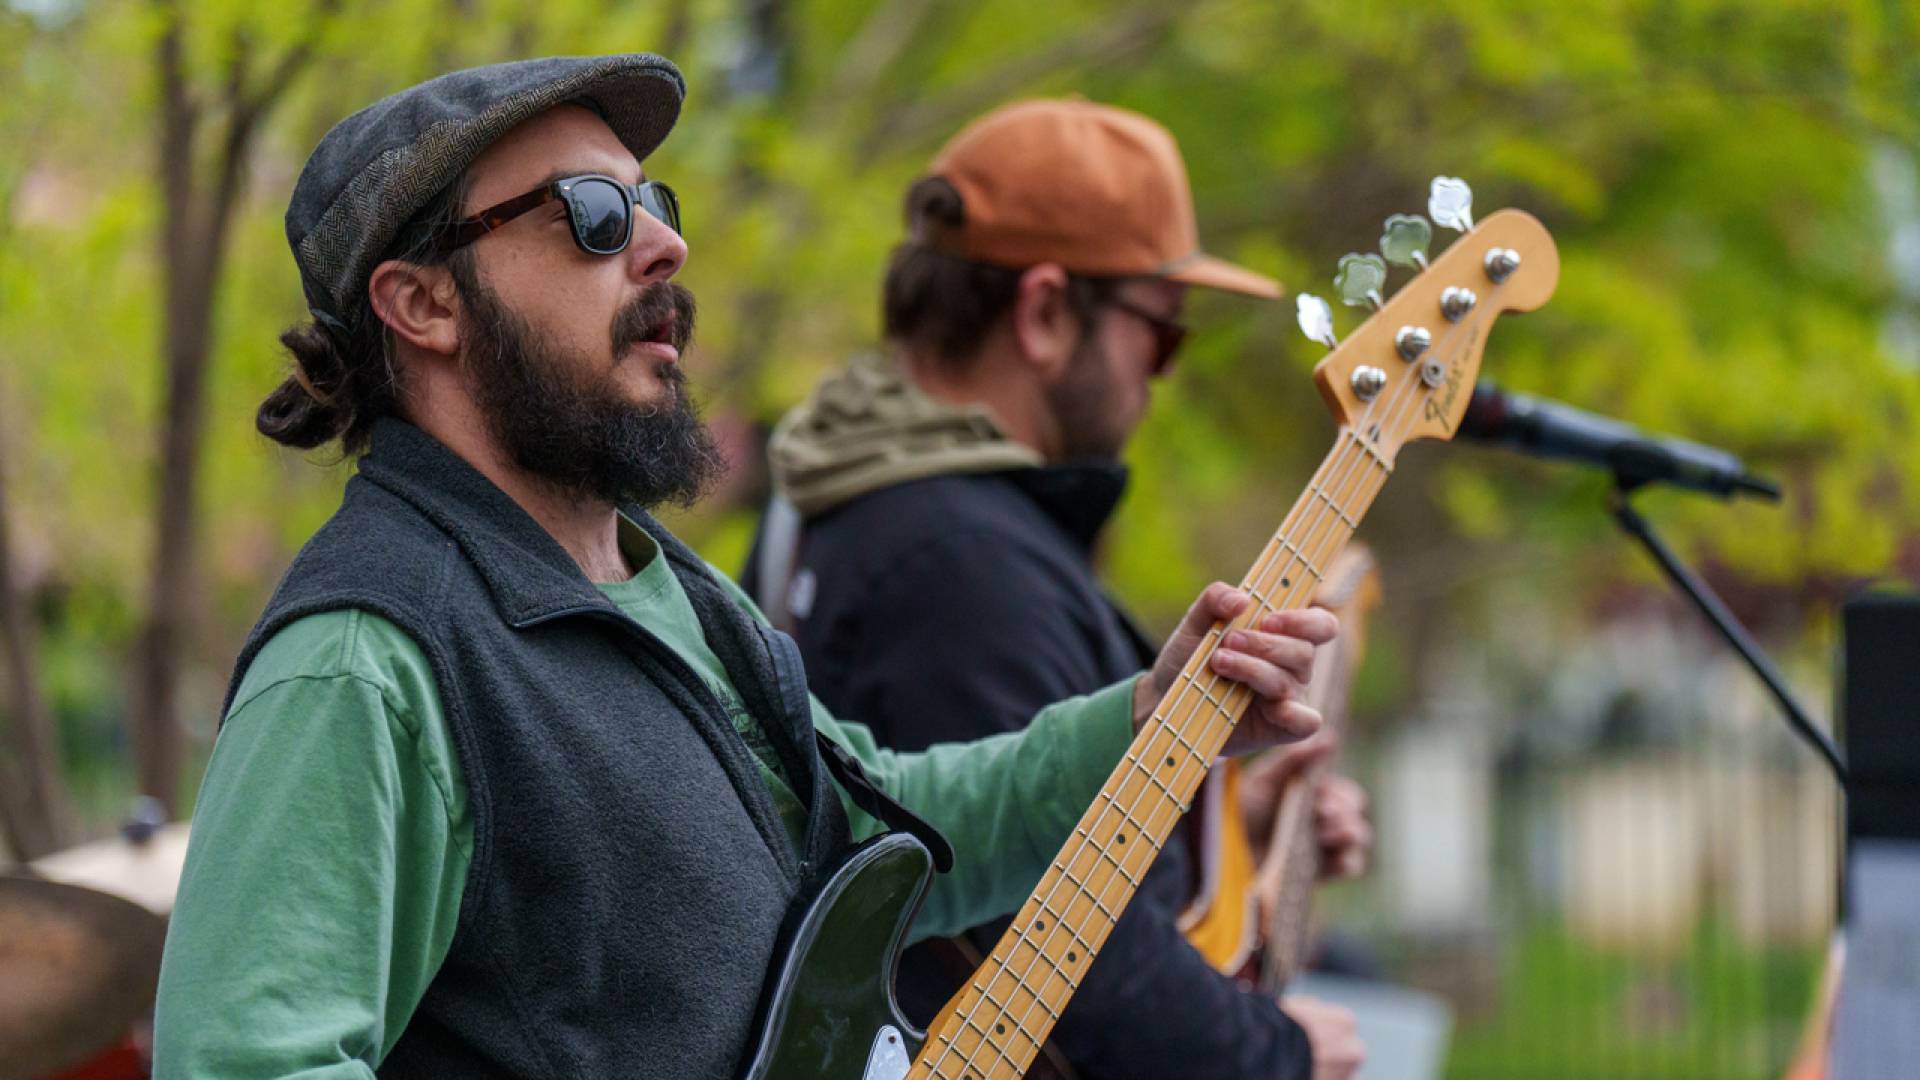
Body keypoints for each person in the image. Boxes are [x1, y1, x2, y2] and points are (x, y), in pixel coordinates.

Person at [149, 56, 1338, 1079]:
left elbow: (887, 830)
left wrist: (1147, 719)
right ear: (422, 304)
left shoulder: (669, 593)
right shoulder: (363, 663)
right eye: (591, 215)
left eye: (652, 203)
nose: (664, 245)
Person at [744, 99, 1370, 1080]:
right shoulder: (960, 563)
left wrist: (1234, 840)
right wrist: (1280, 1056)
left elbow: (964, 872)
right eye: (1160, 335)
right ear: (1042, 312)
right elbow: (1069, 946)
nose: (1157, 378)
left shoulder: (834, 502)